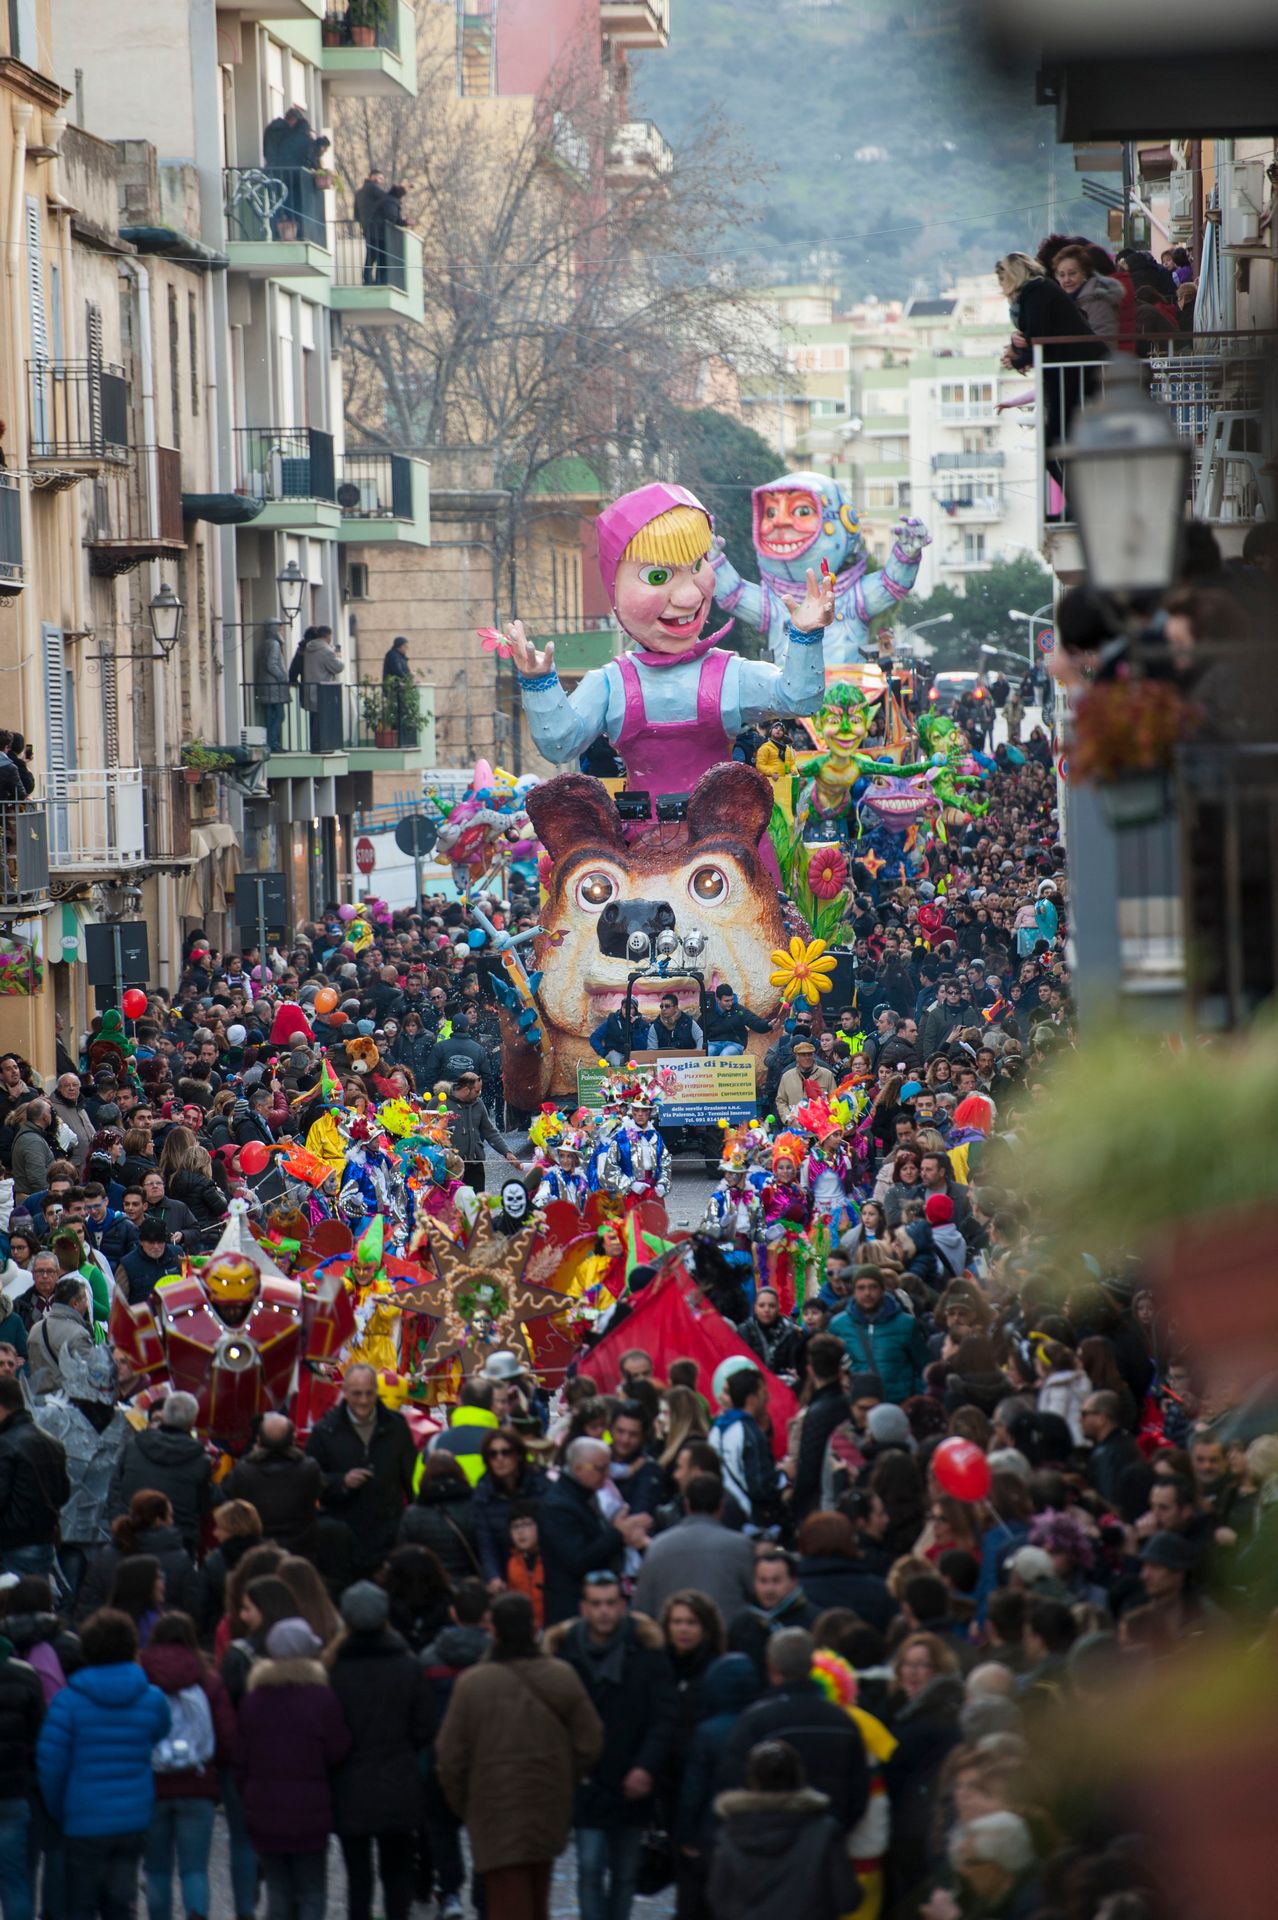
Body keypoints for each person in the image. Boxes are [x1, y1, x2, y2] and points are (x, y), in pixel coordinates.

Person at [436, 1592, 604, 1920]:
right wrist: (562, 1777)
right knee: (537, 1896)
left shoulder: (472, 1684)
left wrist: (467, 1805)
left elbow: (450, 1757)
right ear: (534, 1627)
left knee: (507, 1902)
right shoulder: (561, 1676)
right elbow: (590, 1741)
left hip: (493, 1810)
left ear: (493, 1630)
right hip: (547, 1805)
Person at [547, 1572, 677, 1920]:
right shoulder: (564, 1654)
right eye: (596, 1604)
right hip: (586, 1780)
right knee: (589, 1867)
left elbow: (663, 1717)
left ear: (622, 1605)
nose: (603, 1611)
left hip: (630, 1775)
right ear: (584, 1608)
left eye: (610, 1603)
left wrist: (645, 1766)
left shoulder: (647, 1652)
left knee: (625, 1872)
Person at [36, 1608, 172, 1920]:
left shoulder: (68, 1702)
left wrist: (60, 1809)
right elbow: (159, 1732)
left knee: (80, 1906)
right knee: (120, 1906)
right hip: (132, 1818)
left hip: (83, 1818)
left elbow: (51, 1764)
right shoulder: (152, 1699)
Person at [327, 1582, 438, 1920]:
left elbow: (328, 1733)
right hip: (398, 1781)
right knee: (397, 1873)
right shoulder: (408, 1666)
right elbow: (425, 1728)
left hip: (349, 1784)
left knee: (358, 1879)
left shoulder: (333, 1670)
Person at [234, 1617, 352, 1920]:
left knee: (278, 1890)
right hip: (310, 1811)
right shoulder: (321, 1698)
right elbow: (337, 1750)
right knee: (312, 1890)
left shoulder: (253, 1700)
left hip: (264, 1809)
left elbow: (240, 1758)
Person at [721, 1629, 869, 1834]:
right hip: (826, 1837)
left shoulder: (756, 1721)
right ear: (812, 1665)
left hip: (767, 1837)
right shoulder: (842, 1722)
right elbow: (859, 1789)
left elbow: (734, 1779)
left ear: (771, 1666)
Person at [139, 1611, 236, 1920]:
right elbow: (226, 1736)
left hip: (152, 1786)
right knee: (194, 1870)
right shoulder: (208, 1679)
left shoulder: (141, 1677)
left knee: (157, 1870)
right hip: (197, 1784)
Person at [709, 1737, 858, 1920]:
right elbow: (847, 1898)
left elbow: (719, 1898)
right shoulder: (824, 1830)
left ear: (752, 1779)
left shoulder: (731, 1832)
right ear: (798, 1775)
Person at [307, 1365, 418, 1578]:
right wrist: (342, 1482)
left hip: (387, 1538)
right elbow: (311, 1482)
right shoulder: (325, 1431)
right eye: (357, 1394)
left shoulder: (396, 1427)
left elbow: (411, 1478)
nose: (364, 1400)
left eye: (369, 1393)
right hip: (342, 1541)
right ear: (345, 1392)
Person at [538, 1438, 650, 1627]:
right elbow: (578, 1559)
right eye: (600, 1469)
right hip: (571, 1609)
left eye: (608, 1468)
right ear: (578, 1468)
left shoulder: (583, 1495)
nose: (607, 1475)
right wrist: (617, 1533)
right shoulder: (558, 1506)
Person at [632, 1472, 756, 1623]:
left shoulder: (657, 1547)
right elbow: (758, 1596)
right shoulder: (742, 1547)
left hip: (671, 1635)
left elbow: (641, 1609)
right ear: (721, 1506)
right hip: (727, 1634)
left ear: (687, 1505)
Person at [108, 1393, 211, 1555]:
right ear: (193, 1421)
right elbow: (203, 1504)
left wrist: (118, 1522)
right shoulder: (201, 1460)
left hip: (130, 1539)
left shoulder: (134, 1446)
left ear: (163, 1416)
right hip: (177, 1543)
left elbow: (115, 1488)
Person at [220, 1412, 324, 1555]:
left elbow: (226, 1492)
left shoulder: (243, 1471)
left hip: (256, 1550)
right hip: (300, 1549)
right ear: (293, 1439)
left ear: (258, 1440)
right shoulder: (309, 1469)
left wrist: (250, 1457)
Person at [0, 1376, 71, 1581]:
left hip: (11, 1545)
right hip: (43, 1543)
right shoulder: (53, 1443)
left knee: (14, 1599)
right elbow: (63, 1493)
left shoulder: (6, 1444)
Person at [831, 1271, 928, 1406]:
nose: (867, 1293)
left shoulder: (905, 1324)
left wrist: (914, 1399)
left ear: (882, 1289)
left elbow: (924, 1367)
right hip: (857, 1406)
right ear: (854, 1291)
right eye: (861, 1288)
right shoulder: (839, 1325)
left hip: (899, 1405)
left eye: (873, 1287)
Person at [726, 1550, 820, 1677]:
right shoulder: (741, 1624)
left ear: (794, 1581)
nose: (769, 1589)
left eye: (776, 1581)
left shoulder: (814, 1620)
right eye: (763, 1581)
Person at [445, 1070, 522, 1192]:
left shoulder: (478, 1104)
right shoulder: (441, 1102)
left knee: (477, 1201)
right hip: (450, 1167)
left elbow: (490, 1131)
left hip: (475, 1165)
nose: (479, 1094)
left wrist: (507, 1152)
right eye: (477, 1091)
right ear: (466, 1090)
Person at [25, 1277, 94, 1396]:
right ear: (75, 1303)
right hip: (68, 1402)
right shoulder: (79, 1334)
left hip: (38, 1401)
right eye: (85, 1299)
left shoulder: (36, 1329)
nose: (87, 1304)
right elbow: (89, 1376)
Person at [703, 984, 772, 1058]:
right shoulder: (709, 1012)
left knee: (725, 1054)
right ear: (718, 1000)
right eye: (726, 1001)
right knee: (709, 1052)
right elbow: (700, 1031)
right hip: (714, 1043)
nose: (730, 1003)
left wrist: (768, 1024)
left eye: (731, 1000)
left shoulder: (738, 1010)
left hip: (734, 1044)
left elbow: (753, 1021)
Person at [254, 620, 291, 755]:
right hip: (274, 686)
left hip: (267, 686)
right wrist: (282, 678)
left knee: (270, 716)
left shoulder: (264, 644)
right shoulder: (274, 644)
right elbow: (272, 664)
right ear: (274, 630)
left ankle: (271, 743)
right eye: (280, 629)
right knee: (279, 716)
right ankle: (273, 743)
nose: (282, 632)